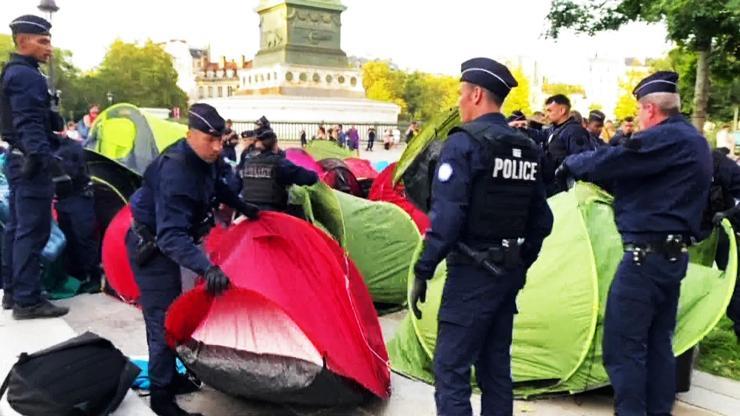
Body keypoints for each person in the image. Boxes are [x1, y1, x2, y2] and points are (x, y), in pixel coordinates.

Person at [557, 71, 712, 415]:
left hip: (645, 260)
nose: (638, 120)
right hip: (671, 258)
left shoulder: (665, 139)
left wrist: (571, 163)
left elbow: (615, 159)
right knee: (658, 347)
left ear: (650, 110)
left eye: (640, 112)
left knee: (624, 349)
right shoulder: (694, 141)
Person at [410, 57, 553, 416]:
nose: (458, 102)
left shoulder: (465, 144)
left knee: (452, 370)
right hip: (506, 275)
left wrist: (423, 269)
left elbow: (447, 218)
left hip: (472, 272)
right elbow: (542, 219)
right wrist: (519, 263)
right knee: (495, 370)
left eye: (461, 94)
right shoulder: (527, 147)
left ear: (475, 94)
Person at [126, 103, 260, 416]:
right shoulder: (176, 170)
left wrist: (244, 207)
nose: (216, 147)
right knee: (162, 320)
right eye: (209, 140)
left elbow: (217, 186)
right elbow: (170, 236)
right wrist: (207, 267)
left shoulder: (205, 158)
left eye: (220, 139)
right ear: (190, 135)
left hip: (175, 243)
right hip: (154, 246)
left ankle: (171, 376)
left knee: (179, 314)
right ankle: (161, 396)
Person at [0, 15, 68, 318]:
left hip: (18, 159)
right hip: (30, 162)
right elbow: (28, 122)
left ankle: (14, 292)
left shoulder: (16, 72)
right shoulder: (26, 76)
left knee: (17, 229)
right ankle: (28, 299)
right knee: (33, 231)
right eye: (42, 41)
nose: (49, 48)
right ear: (23, 41)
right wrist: (42, 158)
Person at [54, 130, 101, 294]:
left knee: (83, 237)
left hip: (78, 196)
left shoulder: (71, 148)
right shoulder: (56, 147)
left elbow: (75, 172)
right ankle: (77, 274)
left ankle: (93, 277)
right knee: (70, 238)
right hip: (65, 199)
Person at [238, 127, 318, 213]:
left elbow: (236, 184)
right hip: (272, 215)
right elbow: (309, 178)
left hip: (248, 213)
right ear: (275, 145)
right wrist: (316, 175)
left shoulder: (247, 163)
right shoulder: (279, 163)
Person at [706, 147, 740, 341]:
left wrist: (728, 215)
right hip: (704, 230)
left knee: (733, 280)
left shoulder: (721, 166)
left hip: (726, 229)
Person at [537, 94, 594, 195]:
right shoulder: (554, 130)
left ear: (562, 110)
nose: (546, 115)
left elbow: (582, 162)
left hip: (566, 190)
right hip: (552, 188)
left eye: (550, 110)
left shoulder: (574, 131)